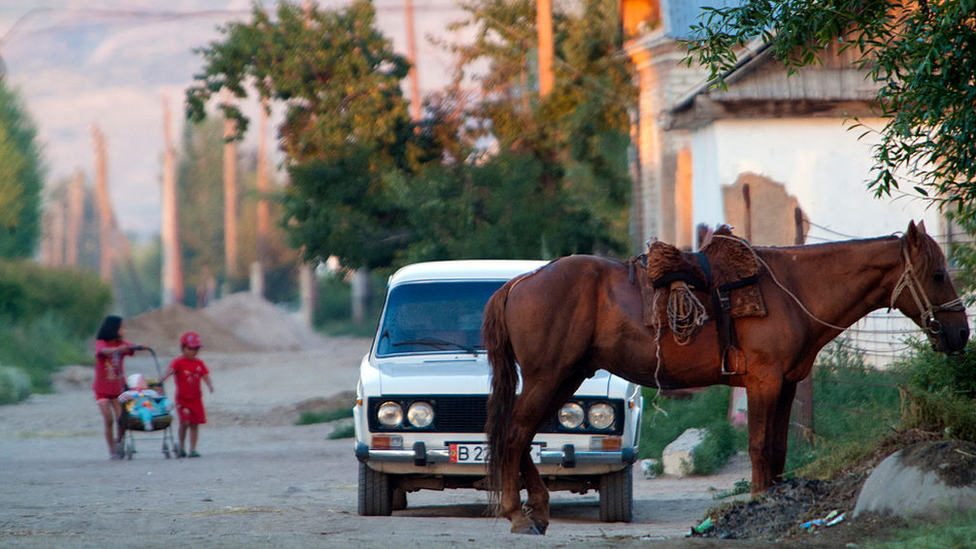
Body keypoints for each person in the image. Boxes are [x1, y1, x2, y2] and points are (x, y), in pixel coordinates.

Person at [93, 315, 145, 460]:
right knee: (108, 419)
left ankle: (118, 441)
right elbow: (102, 351)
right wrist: (117, 349)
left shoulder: (122, 343)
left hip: (117, 389)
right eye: (122, 327)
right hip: (102, 390)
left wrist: (139, 346)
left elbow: (131, 347)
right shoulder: (102, 343)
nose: (124, 330)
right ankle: (111, 450)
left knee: (122, 419)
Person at [159, 331, 213, 458]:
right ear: (183, 348)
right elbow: (170, 371)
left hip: (196, 399)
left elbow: (205, 375)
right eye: (190, 348)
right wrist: (161, 381)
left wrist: (210, 385)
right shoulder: (178, 362)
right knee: (184, 423)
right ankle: (181, 446)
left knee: (194, 424)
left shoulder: (199, 363)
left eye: (196, 349)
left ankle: (192, 449)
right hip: (183, 399)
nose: (193, 351)